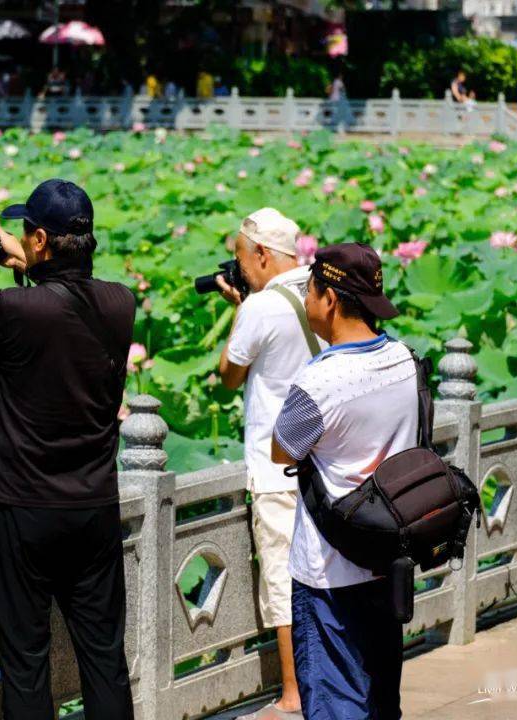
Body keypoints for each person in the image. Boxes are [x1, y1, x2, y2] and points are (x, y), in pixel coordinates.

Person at [0, 179, 136, 720]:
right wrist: (28, 259)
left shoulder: (15, 310)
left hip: (22, 509)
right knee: (104, 659)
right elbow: (61, 296)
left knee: (25, 662)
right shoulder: (120, 301)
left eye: (25, 232)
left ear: (39, 239)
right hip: (93, 506)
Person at [271, 243, 414, 720]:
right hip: (388, 556)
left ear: (329, 299)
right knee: (379, 702)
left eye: (309, 290)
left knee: (335, 704)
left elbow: (281, 450)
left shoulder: (321, 382)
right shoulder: (403, 358)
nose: (306, 301)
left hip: (329, 571)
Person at [216, 209, 324, 720]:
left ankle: (293, 694)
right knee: (327, 573)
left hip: (276, 464)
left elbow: (228, 376)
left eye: (240, 256)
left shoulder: (259, 307)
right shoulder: (324, 294)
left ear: (261, 254)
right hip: (324, 462)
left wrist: (240, 310)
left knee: (282, 576)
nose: (239, 267)